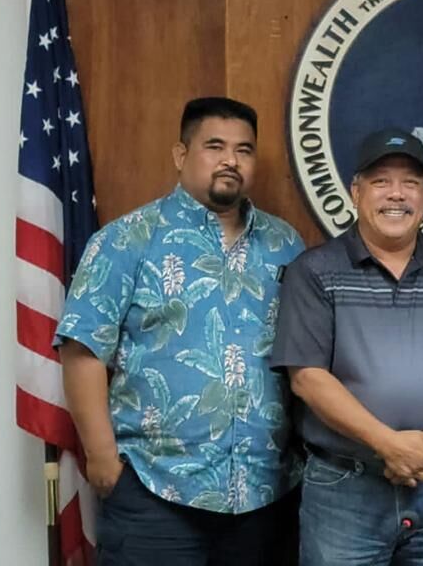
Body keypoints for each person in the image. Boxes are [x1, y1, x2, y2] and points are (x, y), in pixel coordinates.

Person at [54, 97, 305, 565]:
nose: (230, 160)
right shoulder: (128, 238)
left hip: (263, 492)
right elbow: (83, 348)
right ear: (181, 154)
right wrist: (102, 455)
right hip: (155, 490)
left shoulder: (285, 244)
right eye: (215, 146)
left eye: (244, 150)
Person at [271, 127, 423, 566]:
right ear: (356, 192)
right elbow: (308, 379)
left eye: (410, 182)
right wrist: (388, 445)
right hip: (345, 490)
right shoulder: (315, 272)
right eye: (381, 182)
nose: (397, 195)